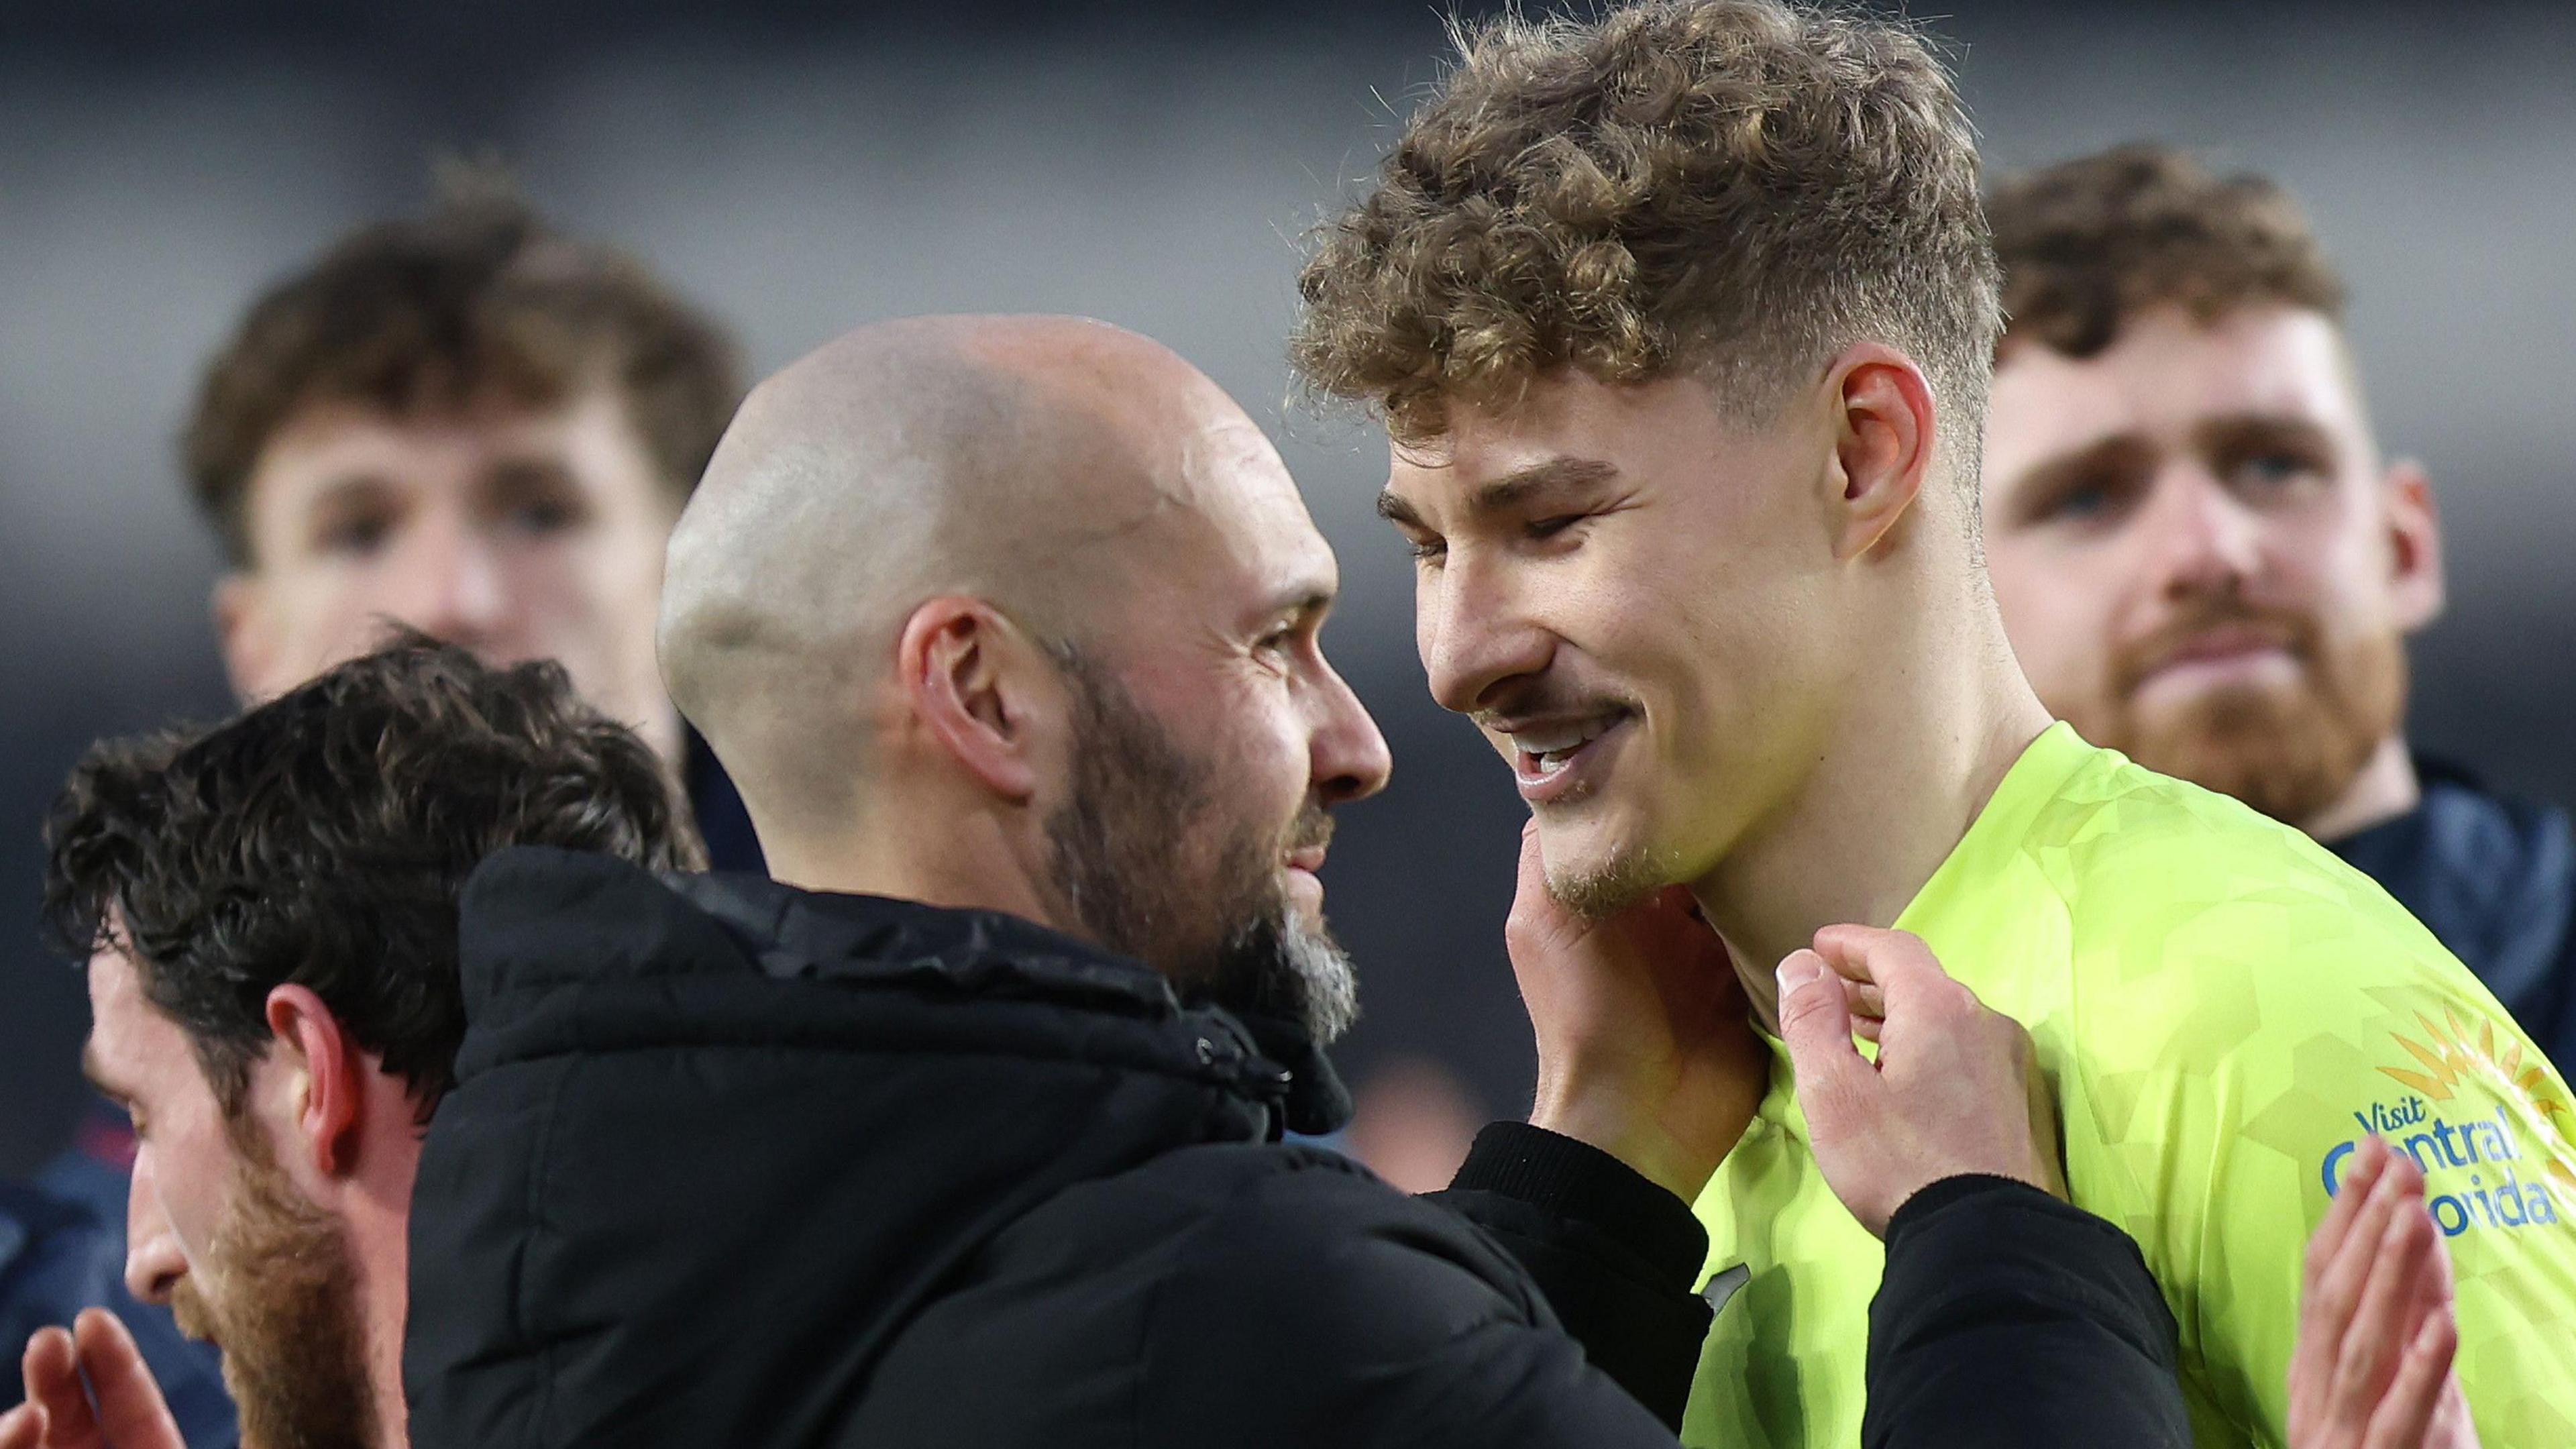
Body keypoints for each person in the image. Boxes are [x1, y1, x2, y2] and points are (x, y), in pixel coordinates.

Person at [2, 333, 2447, 1449]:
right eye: (1285, 642)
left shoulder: (614, 1248)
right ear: (986, 696)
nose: (1380, 730)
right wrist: (2005, 1243)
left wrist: (1588, 1184)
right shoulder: (1221, 1305)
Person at [1289, 3, 2574, 1446]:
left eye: (1553, 521)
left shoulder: (2283, 1023)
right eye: (1431, 547)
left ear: (1864, 453)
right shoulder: (1644, 1125)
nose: (1461, 652)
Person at [0, 176, 757, 1445]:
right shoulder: (38, 1323)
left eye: (539, 509)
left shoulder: (958, 1196)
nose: (454, 596)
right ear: (249, 643)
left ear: (693, 587)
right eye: (358, 526)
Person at [1977, 144, 2576, 1067]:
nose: (2210, 553)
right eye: (2090, 496)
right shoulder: (1873, 1086)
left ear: (2404, 546)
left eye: (2273, 464)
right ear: (1961, 618)